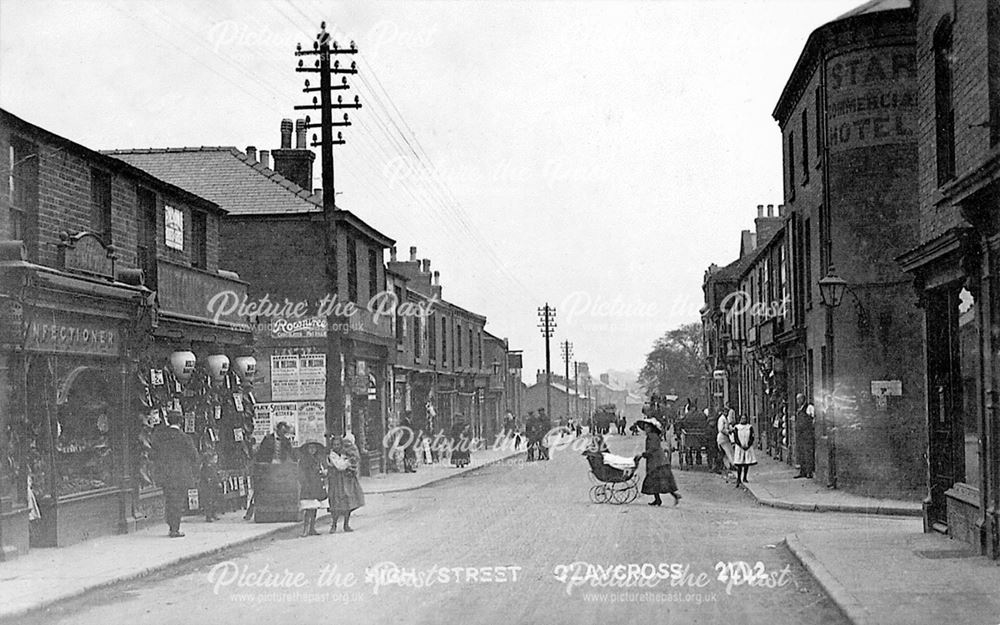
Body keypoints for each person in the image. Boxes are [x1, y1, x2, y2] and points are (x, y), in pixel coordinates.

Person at [152, 411, 199, 538]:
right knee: (178, 502)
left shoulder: (162, 437)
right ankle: (175, 529)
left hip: (166, 474)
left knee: (169, 500)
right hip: (180, 475)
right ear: (180, 421)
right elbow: (194, 456)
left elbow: (155, 454)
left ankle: (171, 525)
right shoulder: (184, 437)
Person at [633, 417, 681, 506]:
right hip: (657, 461)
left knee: (657, 481)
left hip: (658, 462)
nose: (646, 429)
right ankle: (659, 499)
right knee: (658, 482)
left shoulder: (652, 436)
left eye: (647, 427)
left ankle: (671, 496)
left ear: (652, 428)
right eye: (645, 427)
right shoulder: (652, 435)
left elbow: (653, 449)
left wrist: (643, 454)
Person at [328, 433, 365, 533]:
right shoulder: (332, 455)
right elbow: (340, 466)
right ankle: (334, 525)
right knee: (336, 503)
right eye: (334, 445)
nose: (336, 447)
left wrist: (349, 462)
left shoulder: (346, 452)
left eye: (338, 444)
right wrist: (348, 462)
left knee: (348, 502)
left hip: (347, 480)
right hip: (337, 481)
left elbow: (354, 460)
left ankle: (346, 524)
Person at [298, 442, 327, 537]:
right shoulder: (303, 461)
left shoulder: (318, 459)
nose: (312, 450)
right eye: (310, 448)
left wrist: (323, 473)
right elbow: (300, 473)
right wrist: (304, 483)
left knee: (314, 508)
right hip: (308, 485)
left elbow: (321, 470)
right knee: (308, 508)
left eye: (314, 448)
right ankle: (305, 529)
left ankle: (312, 528)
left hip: (316, 485)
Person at [732, 414, 758, 486]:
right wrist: (740, 445)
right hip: (740, 447)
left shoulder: (749, 427)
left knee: (746, 462)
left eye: (744, 418)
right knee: (739, 463)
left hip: (747, 447)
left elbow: (752, 437)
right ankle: (738, 478)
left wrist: (748, 445)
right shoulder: (737, 427)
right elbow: (736, 437)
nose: (743, 420)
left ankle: (745, 477)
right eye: (742, 418)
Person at [794, 394, 815, 479]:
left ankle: (809, 472)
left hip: (807, 435)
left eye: (799, 399)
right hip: (801, 435)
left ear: (803, 399)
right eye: (797, 399)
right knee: (801, 453)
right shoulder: (800, 409)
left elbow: (813, 418)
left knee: (808, 453)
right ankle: (803, 471)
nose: (797, 401)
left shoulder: (809, 407)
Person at [199, 448, 222, 522]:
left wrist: (219, 482)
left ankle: (214, 513)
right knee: (209, 501)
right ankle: (208, 516)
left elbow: (216, 475)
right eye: (214, 459)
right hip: (208, 486)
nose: (216, 460)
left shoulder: (214, 466)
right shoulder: (206, 467)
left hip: (214, 485)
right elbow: (205, 476)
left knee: (215, 500)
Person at [717, 409, 736, 477]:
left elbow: (728, 427)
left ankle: (726, 465)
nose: (726, 413)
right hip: (722, 438)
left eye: (727, 412)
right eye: (725, 412)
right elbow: (721, 429)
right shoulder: (721, 419)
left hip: (726, 438)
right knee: (728, 452)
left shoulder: (726, 419)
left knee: (726, 452)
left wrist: (731, 429)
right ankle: (730, 465)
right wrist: (728, 432)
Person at [704, 408, 720, 473]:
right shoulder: (708, 428)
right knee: (710, 454)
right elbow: (707, 436)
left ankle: (714, 466)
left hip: (714, 442)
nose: (712, 423)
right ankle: (711, 466)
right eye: (711, 422)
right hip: (710, 443)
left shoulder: (715, 428)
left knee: (715, 454)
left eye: (713, 421)